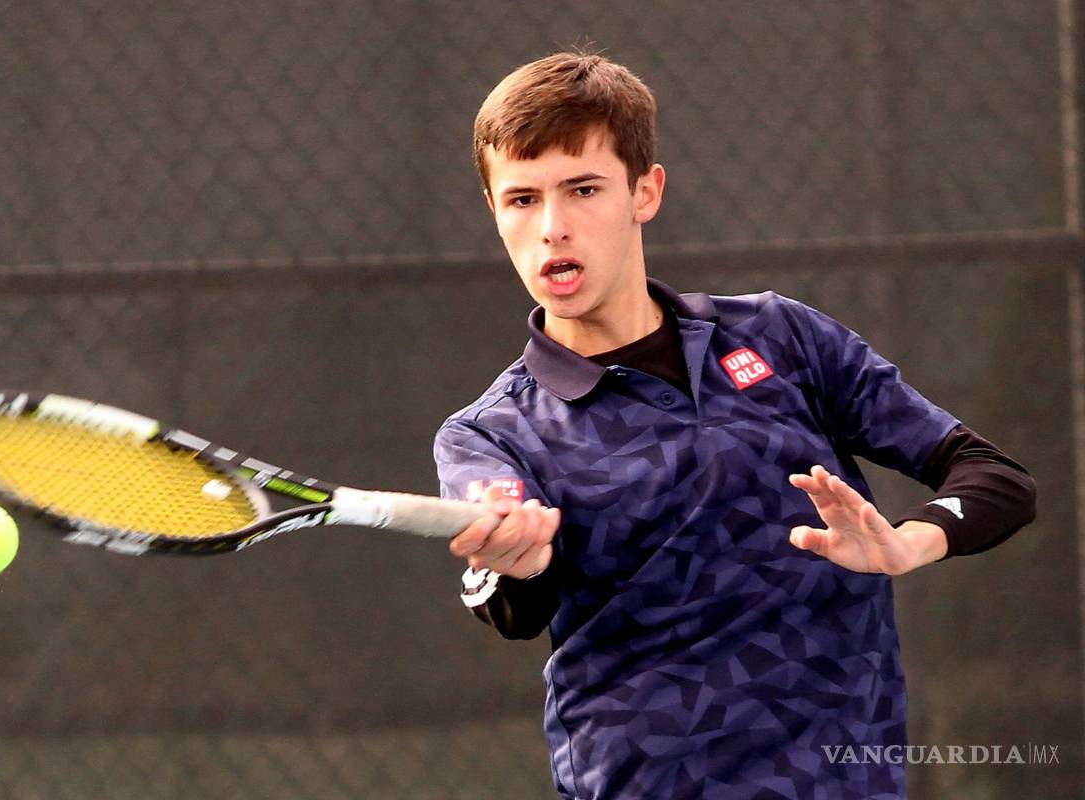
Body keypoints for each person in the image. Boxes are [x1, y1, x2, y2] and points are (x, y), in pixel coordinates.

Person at [433, 51, 1037, 800]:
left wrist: (904, 545)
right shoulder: (489, 433)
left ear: (644, 192)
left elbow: (996, 479)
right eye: (522, 199)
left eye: (582, 188)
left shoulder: (783, 338)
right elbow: (518, 602)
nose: (552, 227)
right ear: (494, 210)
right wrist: (514, 558)